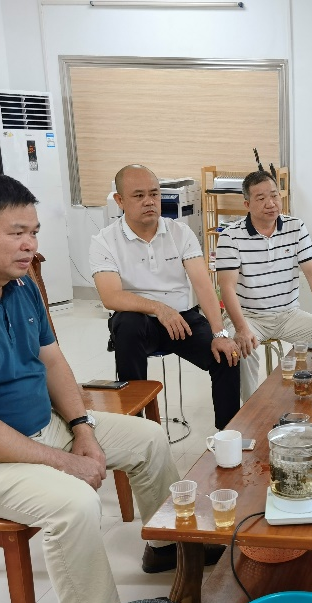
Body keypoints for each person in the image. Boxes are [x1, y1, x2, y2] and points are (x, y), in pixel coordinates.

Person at [0, 172, 217, 603]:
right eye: (17, 233)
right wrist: (66, 462)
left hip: (43, 427)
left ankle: (165, 548)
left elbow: (53, 361)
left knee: (148, 439)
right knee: (74, 503)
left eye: (34, 231)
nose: (31, 245)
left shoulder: (19, 284)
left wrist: (82, 429)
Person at [90, 165, 241, 430]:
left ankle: (228, 434)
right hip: (138, 323)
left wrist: (220, 334)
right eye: (139, 196)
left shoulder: (180, 232)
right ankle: (136, 430)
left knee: (227, 355)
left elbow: (204, 285)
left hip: (182, 319)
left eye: (154, 194)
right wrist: (159, 308)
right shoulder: (104, 241)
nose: (149, 201)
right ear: (119, 200)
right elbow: (110, 297)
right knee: (127, 325)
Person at [216, 170, 312, 402]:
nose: (271, 203)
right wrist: (241, 328)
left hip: (288, 314)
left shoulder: (295, 227)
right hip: (249, 317)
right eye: (261, 198)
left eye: (274, 195)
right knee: (242, 349)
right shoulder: (230, 236)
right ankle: (250, 411)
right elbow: (226, 287)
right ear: (247, 204)